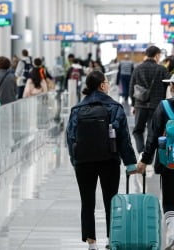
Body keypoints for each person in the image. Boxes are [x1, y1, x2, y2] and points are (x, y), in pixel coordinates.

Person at [66, 70, 138, 250]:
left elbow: (71, 137)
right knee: (111, 201)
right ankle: (111, 239)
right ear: (102, 85)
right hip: (109, 160)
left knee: (87, 202)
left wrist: (75, 160)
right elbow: (123, 138)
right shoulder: (115, 108)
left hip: (83, 162)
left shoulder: (77, 109)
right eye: (106, 82)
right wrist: (130, 164)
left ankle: (91, 243)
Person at [137, 83, 174, 248]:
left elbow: (152, 137)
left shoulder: (164, 106)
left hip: (169, 163)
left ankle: (172, 231)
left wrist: (145, 160)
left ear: (172, 87)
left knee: (169, 201)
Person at [129, 45, 170, 154]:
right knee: (153, 132)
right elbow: (169, 87)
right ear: (157, 55)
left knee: (138, 131)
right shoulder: (162, 69)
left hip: (140, 105)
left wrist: (133, 104)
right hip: (157, 106)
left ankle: (141, 152)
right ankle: (149, 155)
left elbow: (131, 86)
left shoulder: (138, 68)